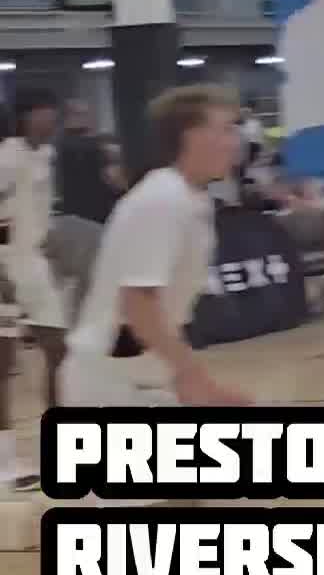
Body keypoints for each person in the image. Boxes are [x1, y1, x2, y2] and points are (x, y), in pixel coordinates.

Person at [62, 84, 253, 413]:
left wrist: (182, 375)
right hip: (106, 387)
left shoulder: (193, 199)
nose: (235, 141)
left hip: (137, 382)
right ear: (192, 136)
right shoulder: (163, 200)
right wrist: (192, 376)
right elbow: (138, 306)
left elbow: (164, 314)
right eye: (225, 129)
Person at [0, 88, 68, 433]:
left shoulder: (46, 154)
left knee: (59, 349)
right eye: (45, 112)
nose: (52, 120)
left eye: (53, 112)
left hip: (35, 267)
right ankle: (4, 452)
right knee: (3, 361)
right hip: (5, 267)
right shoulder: (7, 158)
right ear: (26, 116)